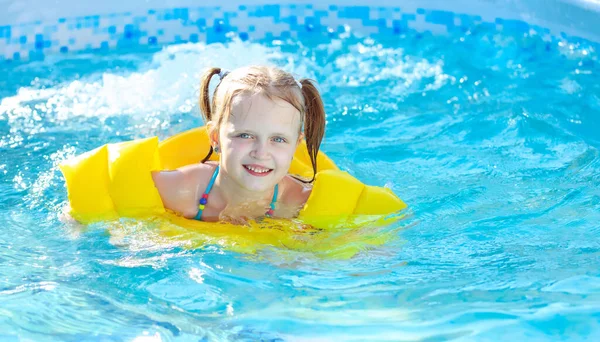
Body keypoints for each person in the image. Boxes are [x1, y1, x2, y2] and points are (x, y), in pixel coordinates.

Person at [151, 65, 326, 223]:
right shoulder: (177, 191)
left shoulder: (301, 206)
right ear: (215, 138)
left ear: (296, 145)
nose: (261, 152)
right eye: (245, 135)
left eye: (278, 139)